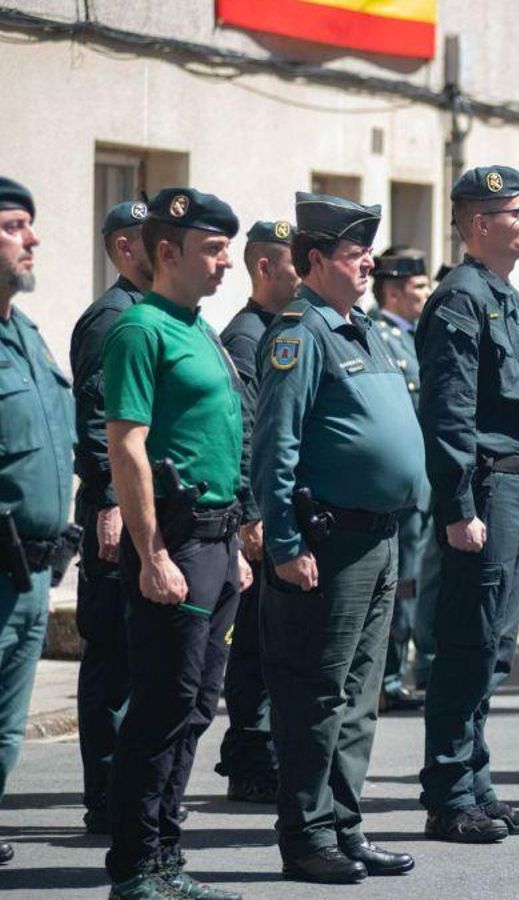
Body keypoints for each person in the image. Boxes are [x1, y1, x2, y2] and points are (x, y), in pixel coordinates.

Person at [252, 192, 423, 884]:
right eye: (357, 255)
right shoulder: (300, 333)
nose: (369, 264)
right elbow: (276, 446)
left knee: (358, 695)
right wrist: (287, 545)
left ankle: (345, 826)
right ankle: (306, 834)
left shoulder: (363, 328)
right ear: (317, 260)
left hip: (378, 538)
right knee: (316, 695)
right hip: (330, 541)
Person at [102, 186, 250, 900]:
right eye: (214, 250)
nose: (227, 264)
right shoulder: (141, 330)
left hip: (219, 545)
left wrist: (239, 548)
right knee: (162, 706)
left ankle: (167, 857)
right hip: (178, 544)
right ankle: (135, 866)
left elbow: (217, 442)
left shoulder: (201, 329)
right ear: (168, 252)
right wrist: (153, 553)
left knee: (196, 708)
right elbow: (127, 448)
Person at [415, 165, 519, 844]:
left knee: (493, 646)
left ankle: (477, 783)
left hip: (513, 490)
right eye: (518, 212)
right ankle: (449, 793)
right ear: (479, 224)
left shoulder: (501, 297)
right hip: (486, 491)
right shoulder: (461, 299)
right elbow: (449, 413)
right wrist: (459, 505)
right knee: (467, 644)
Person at [210, 218, 298, 809]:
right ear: (265, 267)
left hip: (284, 509)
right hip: (259, 514)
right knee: (254, 649)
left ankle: (263, 751)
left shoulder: (285, 328)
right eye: (297, 260)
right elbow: (245, 431)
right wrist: (251, 513)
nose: (307, 268)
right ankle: (248, 758)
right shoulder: (248, 337)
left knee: (277, 644)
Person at [0, 177, 75, 869]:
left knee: (4, 729)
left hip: (31, 572)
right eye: (16, 225)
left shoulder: (24, 332)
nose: (34, 239)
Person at [70, 200, 151, 833]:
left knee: (141, 656)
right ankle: (105, 796)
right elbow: (100, 417)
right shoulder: (111, 319)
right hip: (113, 505)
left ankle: (127, 790)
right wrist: (106, 501)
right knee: (112, 657)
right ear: (125, 248)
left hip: (143, 504)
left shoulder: (152, 315)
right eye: (155, 240)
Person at [369, 247, 433, 712]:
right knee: (400, 579)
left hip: (421, 480)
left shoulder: (413, 336)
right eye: (418, 288)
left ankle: (397, 668)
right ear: (392, 291)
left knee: (412, 577)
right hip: (397, 484)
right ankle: (386, 673)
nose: (426, 294)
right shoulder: (382, 335)